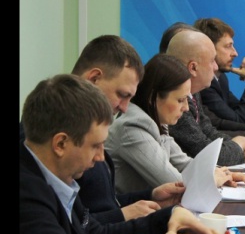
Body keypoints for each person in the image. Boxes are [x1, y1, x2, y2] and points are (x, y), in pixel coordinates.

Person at [19, 74, 232, 234]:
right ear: (61, 143)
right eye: (95, 146)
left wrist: (167, 218)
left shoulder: (54, 176)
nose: (100, 157)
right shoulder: (26, 195)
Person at [18, 35, 186, 224]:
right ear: (94, 78)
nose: (124, 108)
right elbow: (73, 226)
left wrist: (150, 196)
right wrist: (121, 215)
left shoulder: (86, 126)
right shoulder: (44, 133)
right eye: (122, 95)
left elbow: (100, 204)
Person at [105, 53, 245, 194]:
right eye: (180, 100)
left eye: (186, 99)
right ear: (153, 98)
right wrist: (214, 179)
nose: (186, 108)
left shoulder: (156, 120)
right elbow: (174, 184)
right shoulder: (133, 126)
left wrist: (225, 173)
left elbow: (185, 163)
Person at [159, 22, 245, 145]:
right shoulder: (192, 89)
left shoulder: (214, 82)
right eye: (228, 46)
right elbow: (205, 144)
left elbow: (215, 125)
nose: (235, 53)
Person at [193, 17, 245, 125]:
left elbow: (241, 114)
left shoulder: (221, 78)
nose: (235, 53)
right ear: (209, 49)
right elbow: (241, 121)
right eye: (228, 46)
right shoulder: (204, 85)